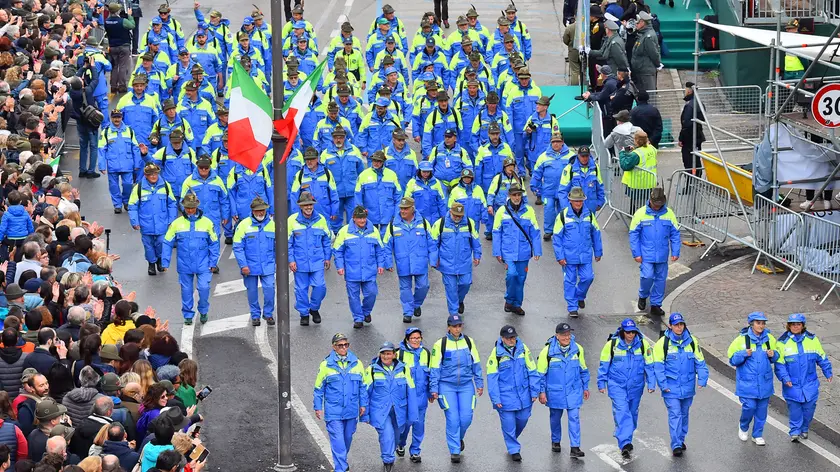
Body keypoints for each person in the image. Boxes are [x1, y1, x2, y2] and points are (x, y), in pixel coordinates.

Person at [597, 318, 655, 458]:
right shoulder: (612, 345)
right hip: (617, 385)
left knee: (632, 413)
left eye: (633, 332)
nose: (631, 335)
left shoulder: (643, 345)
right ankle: (625, 443)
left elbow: (649, 364)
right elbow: (603, 365)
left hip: (636, 386)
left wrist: (651, 383)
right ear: (623, 332)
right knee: (622, 411)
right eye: (628, 332)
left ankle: (627, 436)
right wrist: (601, 383)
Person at [653, 313, 709, 456]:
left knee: (684, 414)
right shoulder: (662, 344)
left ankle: (681, 438)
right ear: (670, 326)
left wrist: (702, 379)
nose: (679, 327)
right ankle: (676, 444)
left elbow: (700, 362)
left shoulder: (692, 342)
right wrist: (663, 384)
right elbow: (658, 367)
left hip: (688, 387)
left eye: (681, 325)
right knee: (675, 414)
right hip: (670, 388)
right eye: (676, 325)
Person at [429, 315, 483, 463]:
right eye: (454, 326)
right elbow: (434, 368)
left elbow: (476, 364)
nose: (457, 328)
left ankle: (458, 438)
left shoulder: (469, 342)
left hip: (466, 385)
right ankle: (454, 450)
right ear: (448, 327)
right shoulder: (440, 344)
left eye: (459, 325)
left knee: (466, 418)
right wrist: (434, 388)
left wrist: (479, 383)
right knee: (453, 419)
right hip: (446, 386)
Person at [313, 333, 369, 472]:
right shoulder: (326, 365)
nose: (343, 348)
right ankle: (341, 469)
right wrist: (318, 407)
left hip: (351, 411)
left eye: (346, 345)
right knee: (338, 442)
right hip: (334, 412)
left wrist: (363, 404)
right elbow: (319, 388)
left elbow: (363, 386)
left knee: (346, 439)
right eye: (340, 345)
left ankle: (342, 462)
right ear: (334, 347)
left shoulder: (357, 363)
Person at [774, 313, 834, 442]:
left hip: (810, 383)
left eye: (798, 324)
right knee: (795, 409)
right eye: (793, 324)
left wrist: (827, 372)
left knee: (809, 409)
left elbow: (821, 357)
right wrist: (785, 378)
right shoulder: (782, 342)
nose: (795, 327)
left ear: (803, 326)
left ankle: (804, 428)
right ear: (789, 326)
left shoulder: (812, 340)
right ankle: (795, 431)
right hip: (792, 384)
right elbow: (779, 365)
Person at [162, 193, 219, 325]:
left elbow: (214, 244)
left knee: (204, 288)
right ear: (184, 207)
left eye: (192, 208)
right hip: (184, 264)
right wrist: (165, 261)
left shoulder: (207, 223)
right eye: (188, 208)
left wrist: (213, 262)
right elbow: (167, 242)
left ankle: (203, 311)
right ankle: (188, 314)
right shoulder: (176, 224)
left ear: (197, 207)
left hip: (203, 263)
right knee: (186, 291)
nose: (190, 210)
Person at [486, 325, 539, 462]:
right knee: (509, 423)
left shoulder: (523, 349)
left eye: (513, 337)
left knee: (523, 419)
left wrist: (535, 391)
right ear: (502, 338)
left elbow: (532, 370)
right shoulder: (496, 354)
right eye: (508, 338)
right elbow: (492, 378)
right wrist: (495, 398)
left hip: (524, 395)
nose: (511, 340)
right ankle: (514, 449)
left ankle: (511, 438)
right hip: (505, 397)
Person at [363, 341, 418, 472]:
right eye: (383, 354)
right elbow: (365, 392)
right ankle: (388, 461)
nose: (386, 357)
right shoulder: (372, 370)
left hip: (399, 410)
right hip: (380, 410)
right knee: (387, 435)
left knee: (397, 436)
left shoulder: (404, 369)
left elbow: (411, 391)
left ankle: (389, 452)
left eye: (388, 353)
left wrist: (413, 414)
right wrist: (365, 414)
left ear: (394, 355)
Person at [537, 322, 589, 458]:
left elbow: (583, 369)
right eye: (563, 335)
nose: (567, 337)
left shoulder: (578, 349)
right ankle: (556, 441)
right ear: (557, 336)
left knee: (574, 417)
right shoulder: (547, 352)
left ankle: (575, 447)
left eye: (568, 334)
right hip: (555, 392)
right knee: (555, 417)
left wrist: (586, 387)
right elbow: (540, 374)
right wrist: (541, 392)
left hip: (573, 390)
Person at [727, 312, 779, 446]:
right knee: (749, 407)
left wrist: (773, 355)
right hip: (747, 383)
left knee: (762, 411)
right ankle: (743, 426)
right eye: (758, 323)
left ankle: (757, 434)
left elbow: (776, 357)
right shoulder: (741, 340)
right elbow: (732, 360)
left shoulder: (770, 339)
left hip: (764, 382)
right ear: (751, 324)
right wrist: (744, 354)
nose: (761, 326)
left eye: (763, 323)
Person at [383, 197, 437, 324]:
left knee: (423, 286)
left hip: (420, 262)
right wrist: (388, 262)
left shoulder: (423, 223)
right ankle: (407, 312)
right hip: (403, 263)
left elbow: (432, 243)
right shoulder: (393, 224)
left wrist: (433, 260)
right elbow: (386, 245)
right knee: (405, 289)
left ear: (412, 209)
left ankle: (415, 304)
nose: (403, 211)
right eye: (401, 208)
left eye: (406, 208)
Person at [628, 186, 680, 318]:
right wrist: (636, 253)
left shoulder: (669, 214)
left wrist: (676, 251)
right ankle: (643, 295)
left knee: (660, 280)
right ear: (650, 200)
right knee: (647, 276)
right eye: (655, 204)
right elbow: (633, 234)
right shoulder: (640, 214)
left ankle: (656, 305)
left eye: (659, 204)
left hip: (662, 254)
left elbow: (675, 234)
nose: (657, 207)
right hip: (646, 254)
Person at [333, 206, 387, 329]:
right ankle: (358, 318)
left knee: (371, 293)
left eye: (364, 218)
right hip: (352, 271)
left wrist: (381, 265)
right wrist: (340, 266)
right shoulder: (344, 231)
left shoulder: (373, 230)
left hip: (369, 270)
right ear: (354, 218)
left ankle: (366, 312)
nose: (362, 221)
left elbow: (380, 249)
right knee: (353, 296)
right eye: (359, 218)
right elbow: (337, 250)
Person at [553, 187, 603, 318]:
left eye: (580, 201)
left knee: (588, 277)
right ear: (570, 201)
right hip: (569, 256)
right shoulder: (563, 215)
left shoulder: (589, 215)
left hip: (585, 254)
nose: (578, 203)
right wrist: (560, 256)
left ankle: (580, 296)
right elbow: (557, 237)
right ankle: (572, 307)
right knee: (569, 281)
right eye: (576, 201)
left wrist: (598, 252)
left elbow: (596, 233)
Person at [492, 182, 541, 316]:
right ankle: (509, 300)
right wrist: (497, 252)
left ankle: (517, 304)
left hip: (524, 252)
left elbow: (535, 232)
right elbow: (496, 232)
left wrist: (537, 250)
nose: (516, 197)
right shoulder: (502, 211)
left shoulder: (529, 210)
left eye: (518, 195)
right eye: (514, 195)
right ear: (509, 195)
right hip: (508, 251)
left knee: (521, 279)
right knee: (512, 275)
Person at [288, 192, 332, 326]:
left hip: (317, 261)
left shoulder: (321, 220)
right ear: (300, 206)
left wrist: (327, 257)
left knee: (320, 287)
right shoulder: (292, 221)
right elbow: (288, 243)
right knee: (301, 289)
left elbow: (327, 240)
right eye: (305, 205)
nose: (308, 207)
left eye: (310, 205)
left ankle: (314, 308)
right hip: (300, 262)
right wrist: (291, 260)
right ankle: (304, 314)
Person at [233, 197, 276, 327]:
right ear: (252, 211)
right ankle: (255, 315)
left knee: (269, 289)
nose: (260, 213)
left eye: (262, 210)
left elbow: (279, 245)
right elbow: (238, 246)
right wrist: (243, 265)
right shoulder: (243, 225)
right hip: (249, 266)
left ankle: (268, 314)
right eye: (258, 210)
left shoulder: (273, 224)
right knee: (252, 291)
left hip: (268, 265)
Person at [129, 164, 178, 276]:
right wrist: (135, 222)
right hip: (146, 223)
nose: (153, 176)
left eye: (155, 173)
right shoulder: (139, 188)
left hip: (162, 222)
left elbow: (172, 203)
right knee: (148, 245)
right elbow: (132, 206)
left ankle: (159, 260)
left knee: (161, 242)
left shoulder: (165, 185)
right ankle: (151, 263)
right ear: (146, 175)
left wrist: (171, 220)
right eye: (150, 174)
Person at [433, 203, 482, 317]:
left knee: (465, 284)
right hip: (447, 263)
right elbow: (433, 243)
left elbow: (475, 240)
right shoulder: (440, 224)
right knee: (451, 289)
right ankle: (454, 315)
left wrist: (477, 255)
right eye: (455, 215)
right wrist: (434, 259)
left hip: (464, 262)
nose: (457, 218)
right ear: (450, 212)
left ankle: (459, 300)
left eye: (459, 216)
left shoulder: (470, 223)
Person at [396, 328, 431, 463]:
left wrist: (431, 391)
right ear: (407, 339)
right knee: (405, 424)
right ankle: (401, 443)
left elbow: (431, 373)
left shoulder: (426, 353)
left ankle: (415, 451)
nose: (416, 340)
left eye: (418, 338)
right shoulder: (399, 354)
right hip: (405, 398)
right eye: (413, 338)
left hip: (421, 397)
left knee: (419, 425)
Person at [98, 109, 141, 214]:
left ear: (122, 118)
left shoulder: (129, 131)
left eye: (118, 117)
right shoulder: (106, 132)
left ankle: (126, 201)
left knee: (128, 184)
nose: (117, 119)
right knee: (114, 186)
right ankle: (117, 205)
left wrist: (137, 163)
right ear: (111, 118)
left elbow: (135, 148)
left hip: (127, 164)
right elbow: (101, 149)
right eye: (114, 117)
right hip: (113, 165)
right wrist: (102, 166)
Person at [532, 133, 574, 241]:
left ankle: (562, 230)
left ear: (562, 142)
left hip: (564, 191)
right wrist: (534, 186)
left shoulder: (571, 156)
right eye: (554, 142)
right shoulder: (543, 156)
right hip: (548, 190)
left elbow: (576, 173)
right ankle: (548, 231)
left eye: (558, 142)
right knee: (549, 210)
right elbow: (537, 173)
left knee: (563, 210)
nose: (556, 144)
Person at [355, 150, 402, 236]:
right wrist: (361, 212)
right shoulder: (363, 175)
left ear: (383, 162)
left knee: (386, 239)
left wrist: (396, 213)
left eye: (379, 161)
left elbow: (398, 195)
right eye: (374, 161)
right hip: (370, 214)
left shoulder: (392, 175)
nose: (376, 163)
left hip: (388, 213)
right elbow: (358, 195)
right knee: (371, 238)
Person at [558, 146, 605, 215]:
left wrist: (599, 203)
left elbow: (600, 186)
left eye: (586, 156)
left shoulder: (595, 167)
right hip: (574, 209)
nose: (585, 158)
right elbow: (562, 190)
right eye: (582, 156)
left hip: (590, 208)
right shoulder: (569, 168)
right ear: (578, 155)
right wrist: (566, 208)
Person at [523, 96, 561, 178]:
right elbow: (524, 136)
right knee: (535, 179)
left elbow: (557, 139)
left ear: (545, 107)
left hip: (547, 156)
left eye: (540, 105)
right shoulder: (532, 119)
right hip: (533, 156)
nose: (537, 106)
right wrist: (527, 132)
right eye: (537, 104)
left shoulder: (552, 121)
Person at [621, 130, 658, 214]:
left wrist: (622, 153)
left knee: (639, 205)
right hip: (650, 182)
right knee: (647, 202)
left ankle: (639, 218)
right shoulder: (652, 148)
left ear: (637, 141)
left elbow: (625, 165)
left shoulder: (636, 154)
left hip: (638, 183)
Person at [678, 82, 706, 181]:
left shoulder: (690, 105)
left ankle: (691, 183)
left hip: (689, 137)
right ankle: (697, 180)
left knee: (689, 161)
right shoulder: (699, 102)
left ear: (690, 91)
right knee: (696, 159)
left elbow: (686, 123)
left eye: (685, 90)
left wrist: (681, 138)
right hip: (697, 135)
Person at [631, 11, 660, 93]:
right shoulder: (643, 34)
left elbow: (654, 54)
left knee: (650, 96)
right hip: (641, 70)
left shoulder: (648, 37)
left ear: (643, 22)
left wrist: (657, 65)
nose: (636, 24)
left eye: (638, 22)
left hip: (646, 71)